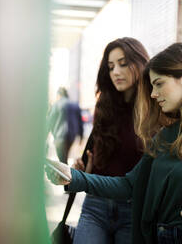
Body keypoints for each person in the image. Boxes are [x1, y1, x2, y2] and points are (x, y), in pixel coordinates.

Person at [46, 42, 182, 243]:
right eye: (151, 86)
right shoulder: (166, 135)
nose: (152, 94)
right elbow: (130, 185)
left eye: (159, 84)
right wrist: (73, 177)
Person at [70, 37, 149, 244]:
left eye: (123, 64)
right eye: (111, 66)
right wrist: (86, 169)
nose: (115, 72)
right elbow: (102, 156)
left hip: (133, 210)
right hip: (95, 205)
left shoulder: (155, 110)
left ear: (140, 63)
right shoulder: (104, 107)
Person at [47, 87, 83, 164]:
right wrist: (81, 136)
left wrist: (45, 135)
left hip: (60, 136)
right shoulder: (75, 105)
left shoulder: (56, 105)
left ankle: (65, 174)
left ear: (59, 95)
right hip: (72, 136)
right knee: (64, 157)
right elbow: (80, 122)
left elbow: (50, 121)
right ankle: (66, 172)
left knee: (62, 160)